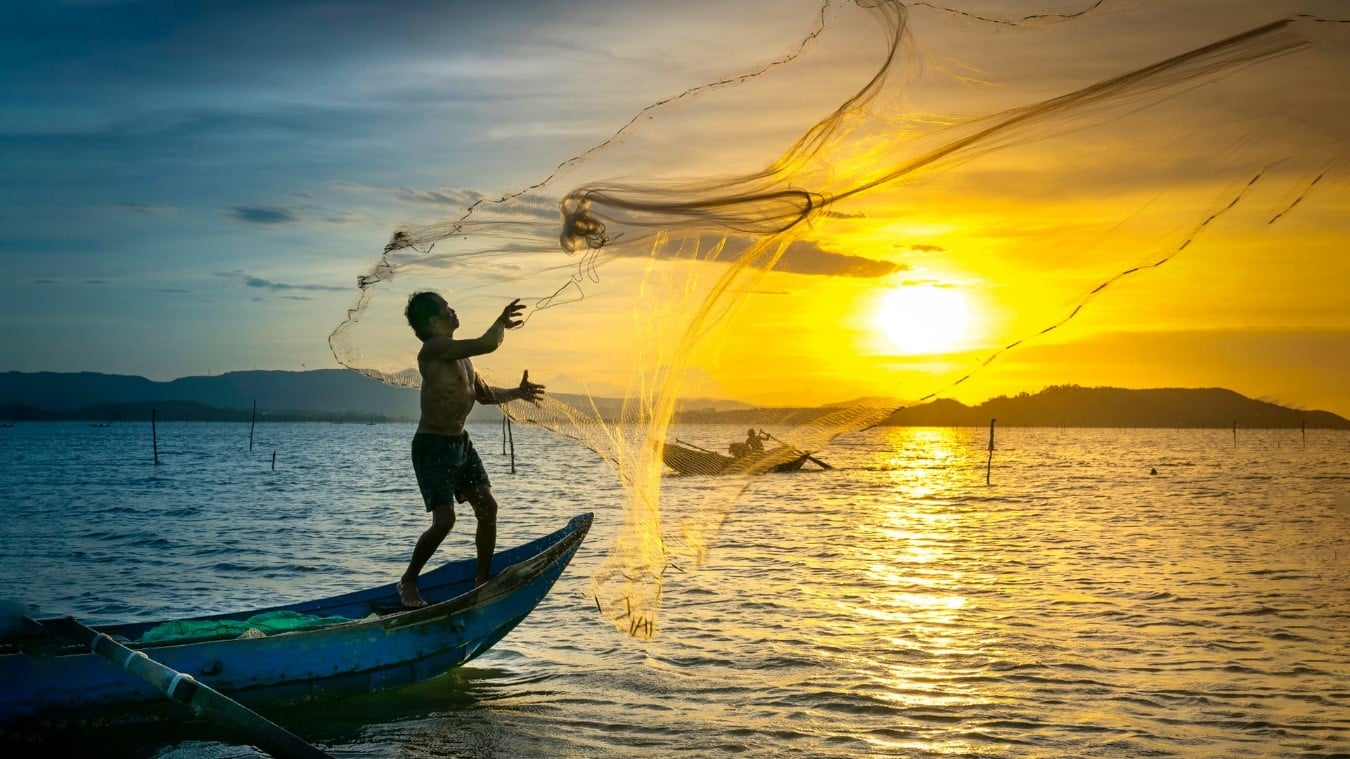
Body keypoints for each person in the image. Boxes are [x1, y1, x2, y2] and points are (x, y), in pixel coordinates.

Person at [397, 291, 545, 608]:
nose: (453, 310)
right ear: (434, 321)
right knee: (445, 520)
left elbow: (485, 396)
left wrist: (517, 393)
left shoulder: (462, 357)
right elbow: (488, 343)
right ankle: (408, 580)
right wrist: (501, 323)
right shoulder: (434, 349)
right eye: (446, 308)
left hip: (460, 443)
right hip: (433, 446)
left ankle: (481, 582)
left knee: (487, 508)